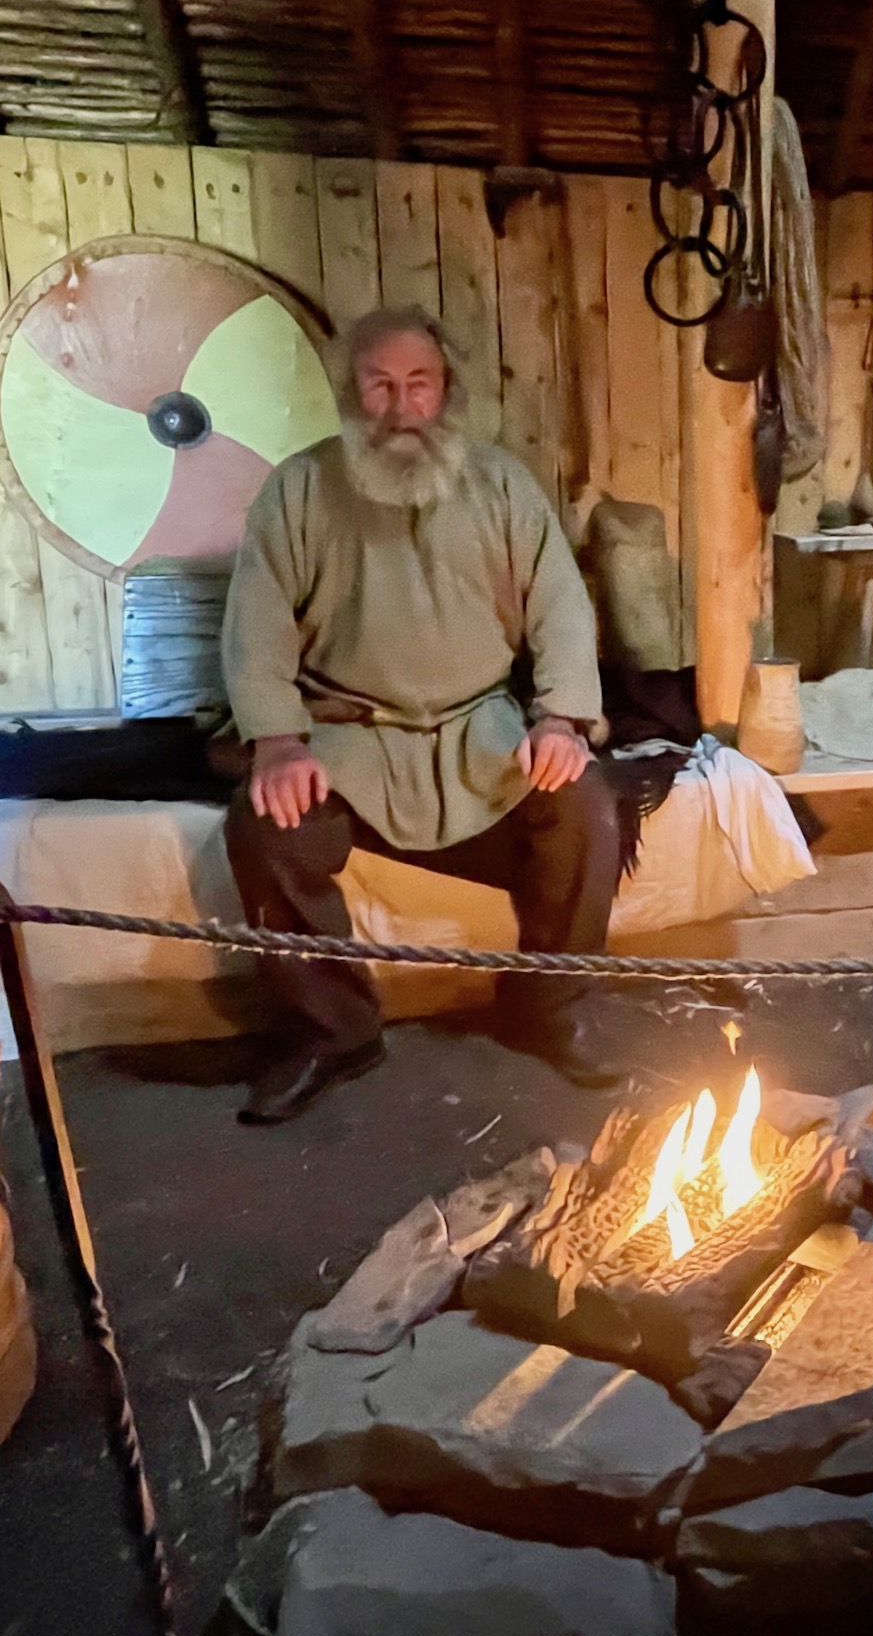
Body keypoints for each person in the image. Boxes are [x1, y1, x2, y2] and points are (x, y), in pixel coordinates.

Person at [221, 305, 623, 1123]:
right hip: (352, 740)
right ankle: (336, 1032)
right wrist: (278, 742)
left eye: (419, 384)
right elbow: (256, 623)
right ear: (350, 394)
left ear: (446, 393)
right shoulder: (297, 489)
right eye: (380, 385)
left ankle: (544, 1010)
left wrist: (560, 720)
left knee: (584, 806)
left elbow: (561, 610)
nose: (401, 406)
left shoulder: (501, 483)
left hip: (482, 736)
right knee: (264, 825)